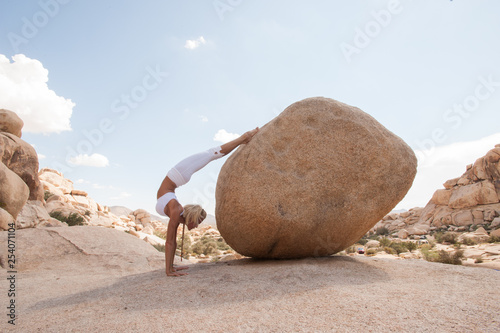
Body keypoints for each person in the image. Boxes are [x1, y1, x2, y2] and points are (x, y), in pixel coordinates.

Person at [156, 127, 259, 276]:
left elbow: (172, 242)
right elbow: (169, 242)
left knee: (212, 154)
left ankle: (244, 138)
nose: (197, 225)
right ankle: (244, 138)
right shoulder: (176, 210)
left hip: (176, 178)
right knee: (212, 153)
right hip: (178, 174)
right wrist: (168, 270)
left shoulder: (178, 214)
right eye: (198, 221)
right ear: (191, 217)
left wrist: (171, 267)